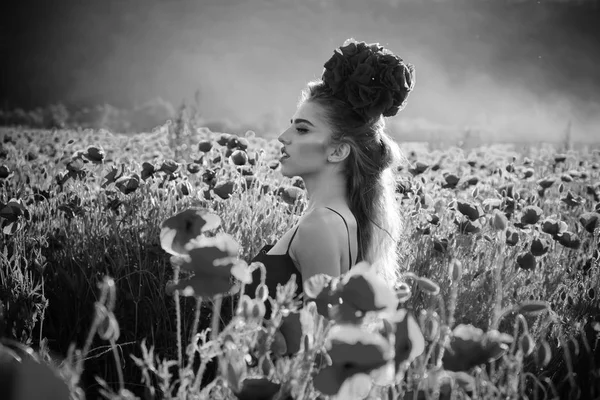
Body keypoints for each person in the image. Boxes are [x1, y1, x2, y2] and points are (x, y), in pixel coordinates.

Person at [244, 38, 416, 317]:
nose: (282, 138)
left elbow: (319, 341)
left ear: (338, 151)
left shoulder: (319, 225)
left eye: (302, 130)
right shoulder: (341, 218)